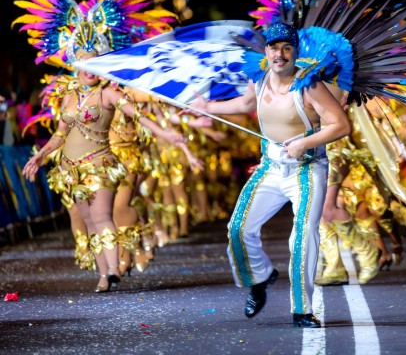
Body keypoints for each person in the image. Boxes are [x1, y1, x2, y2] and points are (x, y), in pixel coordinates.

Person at [186, 23, 351, 329]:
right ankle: (259, 279)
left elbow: (340, 125)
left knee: (302, 237)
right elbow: (247, 104)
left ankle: (302, 310)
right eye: (274, 48)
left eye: (287, 48)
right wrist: (207, 107)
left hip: (306, 169)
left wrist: (304, 142)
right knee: (238, 228)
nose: (280, 54)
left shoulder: (309, 85)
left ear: (295, 52)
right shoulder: (259, 80)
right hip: (271, 167)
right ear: (266, 52)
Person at [22, 53, 196, 292]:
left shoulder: (108, 93)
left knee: (103, 216)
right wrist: (42, 154)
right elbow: (60, 135)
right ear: (76, 67)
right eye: (84, 64)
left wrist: (165, 134)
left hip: (100, 164)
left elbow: (139, 115)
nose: (89, 69)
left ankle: (114, 268)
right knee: (90, 221)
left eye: (95, 64)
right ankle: (104, 275)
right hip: (71, 169)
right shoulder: (69, 97)